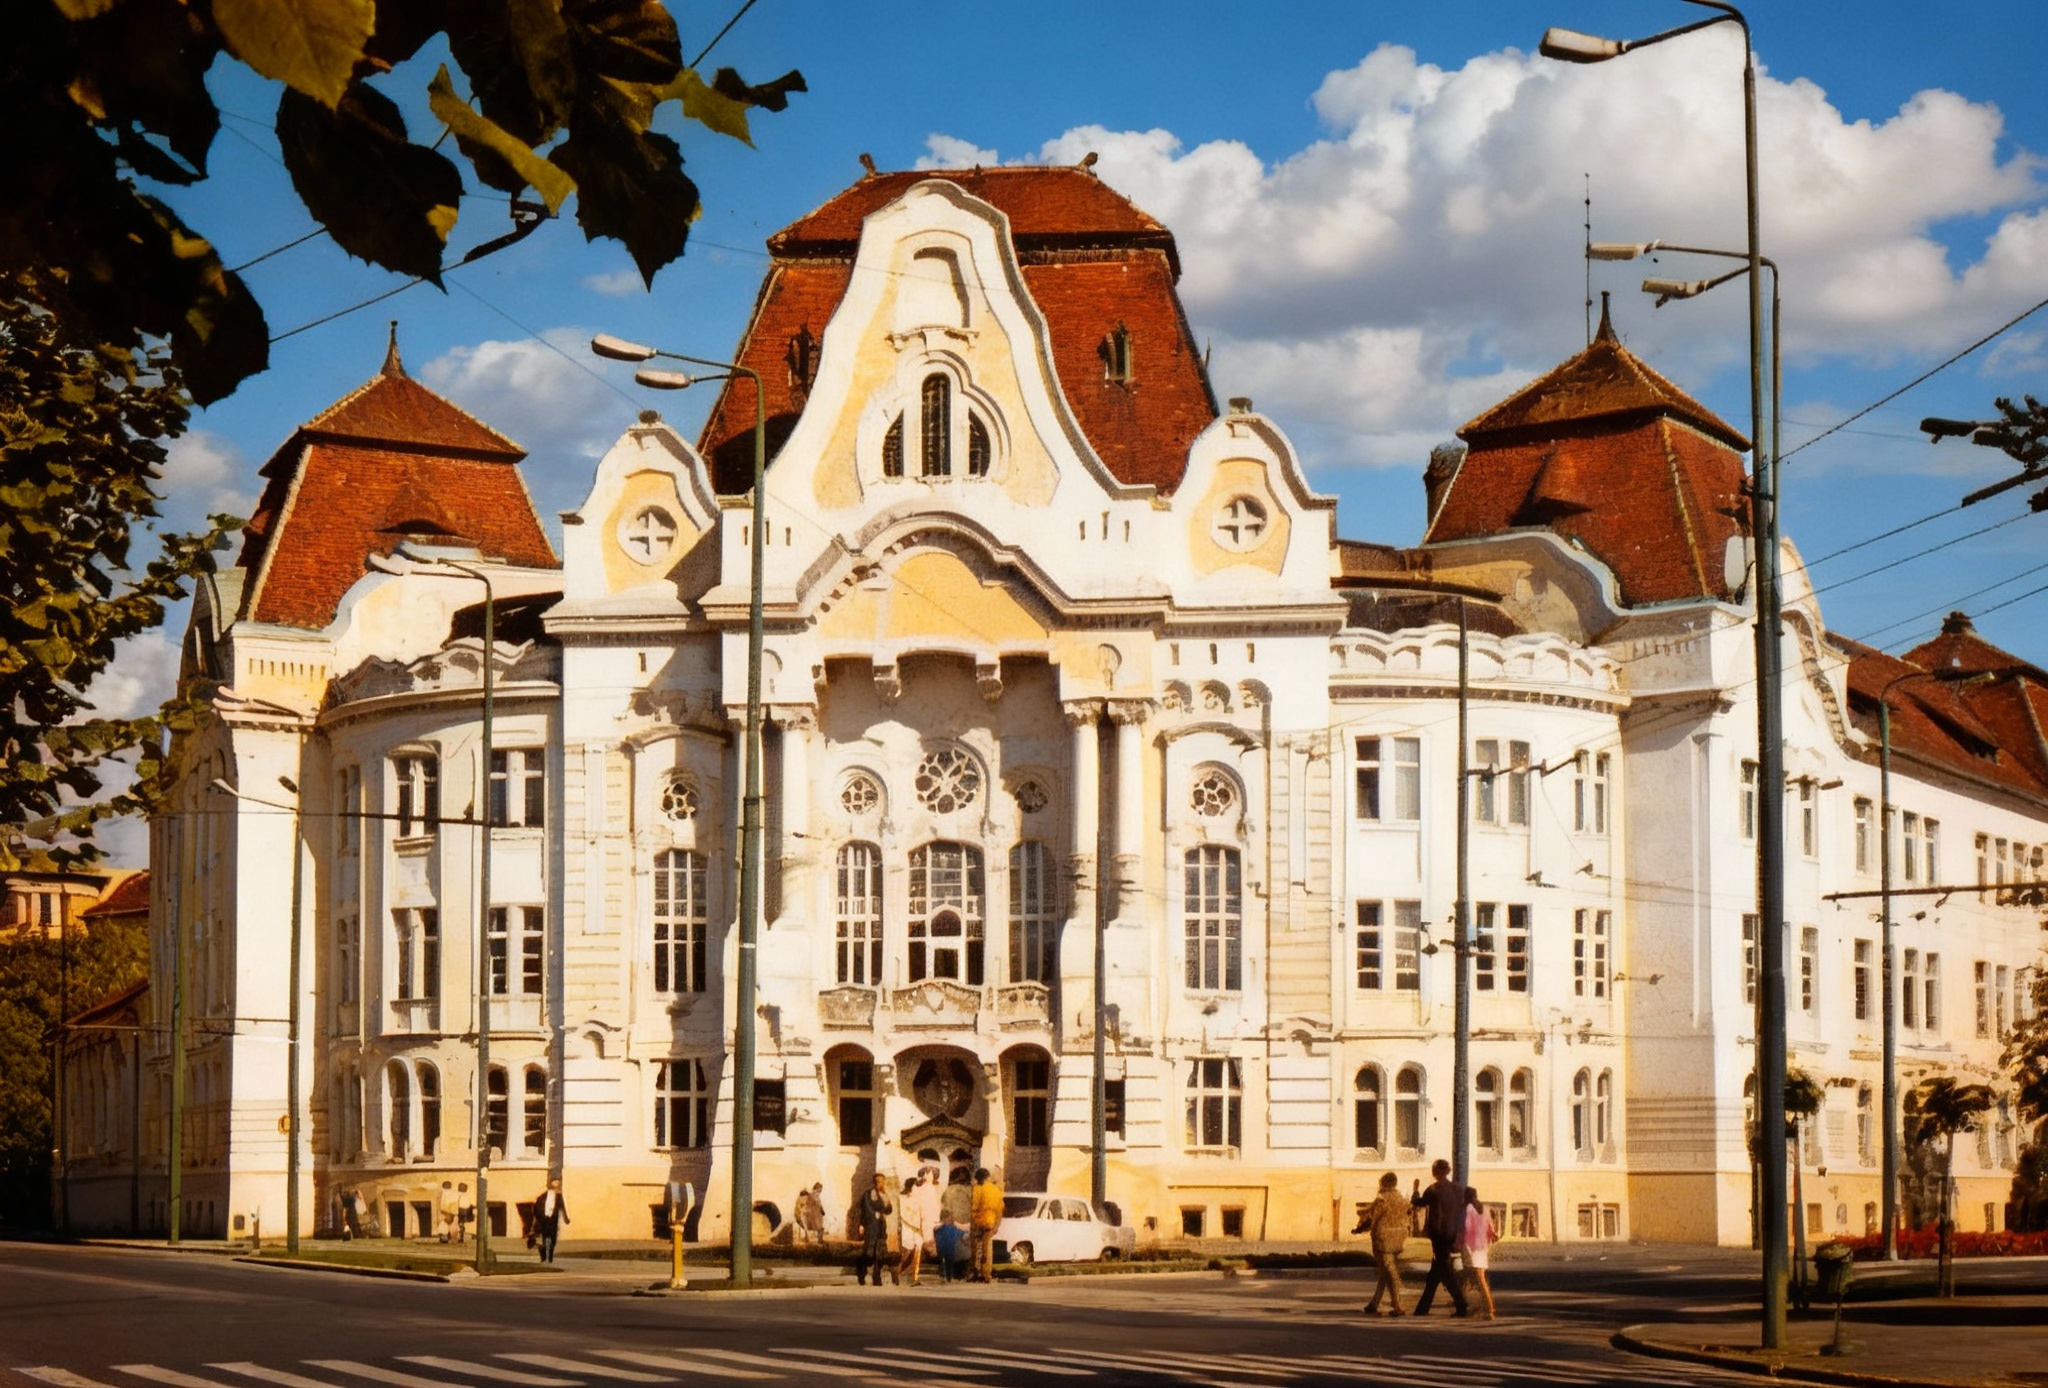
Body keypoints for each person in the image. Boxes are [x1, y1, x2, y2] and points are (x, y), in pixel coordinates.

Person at [1410, 1160, 1469, 1317]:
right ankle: (1422, 1309)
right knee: (1435, 1273)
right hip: (1453, 1233)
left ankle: (1461, 1305)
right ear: (1448, 1171)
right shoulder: (1457, 1189)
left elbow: (1418, 1202)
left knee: (1444, 1271)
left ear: (1435, 1172)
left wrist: (1415, 1190)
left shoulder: (1433, 1189)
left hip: (1439, 1234)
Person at [1356, 1172, 1411, 1315]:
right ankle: (1374, 1303)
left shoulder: (1381, 1200)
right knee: (1384, 1271)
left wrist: (1359, 1229)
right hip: (1398, 1238)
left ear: (1383, 1183)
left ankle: (1396, 1304)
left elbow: (1371, 1219)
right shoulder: (1402, 1199)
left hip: (1383, 1239)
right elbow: (1408, 1214)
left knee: (1389, 1270)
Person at [897, 1169, 941, 1285]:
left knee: (918, 1251)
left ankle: (914, 1277)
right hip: (908, 1228)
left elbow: (923, 1211)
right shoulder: (903, 1198)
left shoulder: (917, 1197)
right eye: (916, 1185)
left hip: (917, 1228)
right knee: (907, 1252)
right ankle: (900, 1273)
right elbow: (904, 1214)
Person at [1460, 1187, 1498, 1320]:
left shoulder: (1469, 1208)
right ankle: (1476, 1306)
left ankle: (1490, 1309)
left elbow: (1467, 1227)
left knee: (1480, 1279)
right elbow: (1491, 1228)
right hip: (1483, 1247)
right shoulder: (1484, 1208)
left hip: (1473, 1247)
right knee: (1477, 1278)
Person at [856, 1172, 895, 1286]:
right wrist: (874, 1214)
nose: (880, 1184)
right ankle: (861, 1273)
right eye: (878, 1181)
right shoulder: (868, 1194)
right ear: (874, 1182)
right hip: (870, 1227)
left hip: (881, 1227)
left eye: (882, 1182)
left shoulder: (883, 1195)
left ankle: (877, 1277)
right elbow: (866, 1208)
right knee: (869, 1253)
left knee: (880, 1254)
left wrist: (887, 1202)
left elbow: (888, 1210)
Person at [969, 1166, 1003, 1283]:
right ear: (988, 1177)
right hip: (991, 1222)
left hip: (978, 1222)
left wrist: (973, 1223)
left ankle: (975, 1272)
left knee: (977, 1248)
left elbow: (974, 1207)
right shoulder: (997, 1190)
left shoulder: (977, 1189)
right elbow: (1000, 1209)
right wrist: (997, 1225)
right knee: (987, 1249)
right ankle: (986, 1274)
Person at [533, 1177, 569, 1264]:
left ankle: (550, 1258)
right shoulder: (542, 1197)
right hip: (544, 1220)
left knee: (553, 1240)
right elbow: (536, 1208)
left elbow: (562, 1207)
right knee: (545, 1239)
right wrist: (540, 1218)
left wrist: (566, 1218)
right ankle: (544, 1257)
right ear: (550, 1184)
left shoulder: (559, 1197)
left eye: (558, 1183)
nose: (557, 1185)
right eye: (555, 1183)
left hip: (553, 1221)